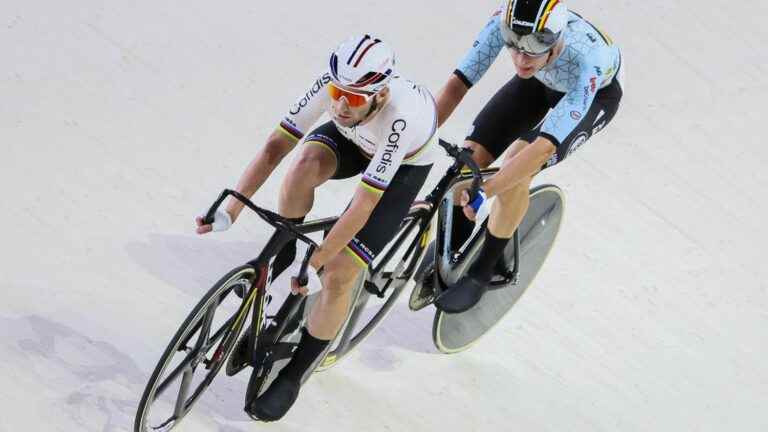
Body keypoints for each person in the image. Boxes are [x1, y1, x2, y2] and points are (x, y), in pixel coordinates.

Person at [195, 34, 438, 421]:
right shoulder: (337, 91)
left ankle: (296, 373)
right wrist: (231, 208)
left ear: (379, 94)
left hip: (401, 169)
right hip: (353, 140)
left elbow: (362, 204)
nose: (340, 104)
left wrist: (318, 262)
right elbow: (275, 148)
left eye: (354, 98)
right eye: (336, 92)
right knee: (303, 165)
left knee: (339, 271)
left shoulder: (400, 118)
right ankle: (283, 259)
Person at [433, 0, 624, 313]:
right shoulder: (506, 27)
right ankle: (456, 252)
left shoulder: (589, 59)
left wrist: (485, 191)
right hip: (539, 81)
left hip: (592, 95)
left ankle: (484, 271)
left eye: (531, 50)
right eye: (514, 47)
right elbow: (456, 86)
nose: (519, 59)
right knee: (468, 161)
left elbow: (542, 149)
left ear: (555, 40)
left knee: (515, 168)